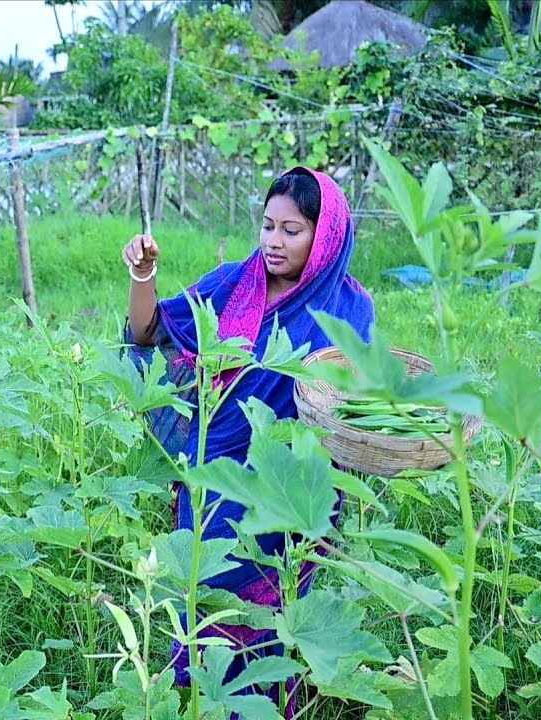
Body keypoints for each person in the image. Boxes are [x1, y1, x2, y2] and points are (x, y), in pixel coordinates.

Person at [120, 166, 375, 711]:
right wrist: (144, 274)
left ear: (325, 237)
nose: (274, 241)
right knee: (207, 604)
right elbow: (148, 333)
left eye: (292, 230)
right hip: (214, 479)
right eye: (267, 226)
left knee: (271, 622)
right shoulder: (234, 283)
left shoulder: (350, 308)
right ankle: (207, 701)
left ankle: (262, 703)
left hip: (291, 488)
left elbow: (360, 399)